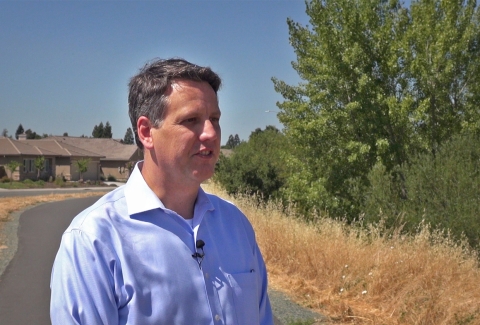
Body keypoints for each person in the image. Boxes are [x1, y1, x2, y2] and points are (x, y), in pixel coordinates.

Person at [50, 58, 274, 325]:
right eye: (192, 120)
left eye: (214, 119)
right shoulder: (93, 241)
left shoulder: (235, 225)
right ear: (146, 132)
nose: (211, 133)